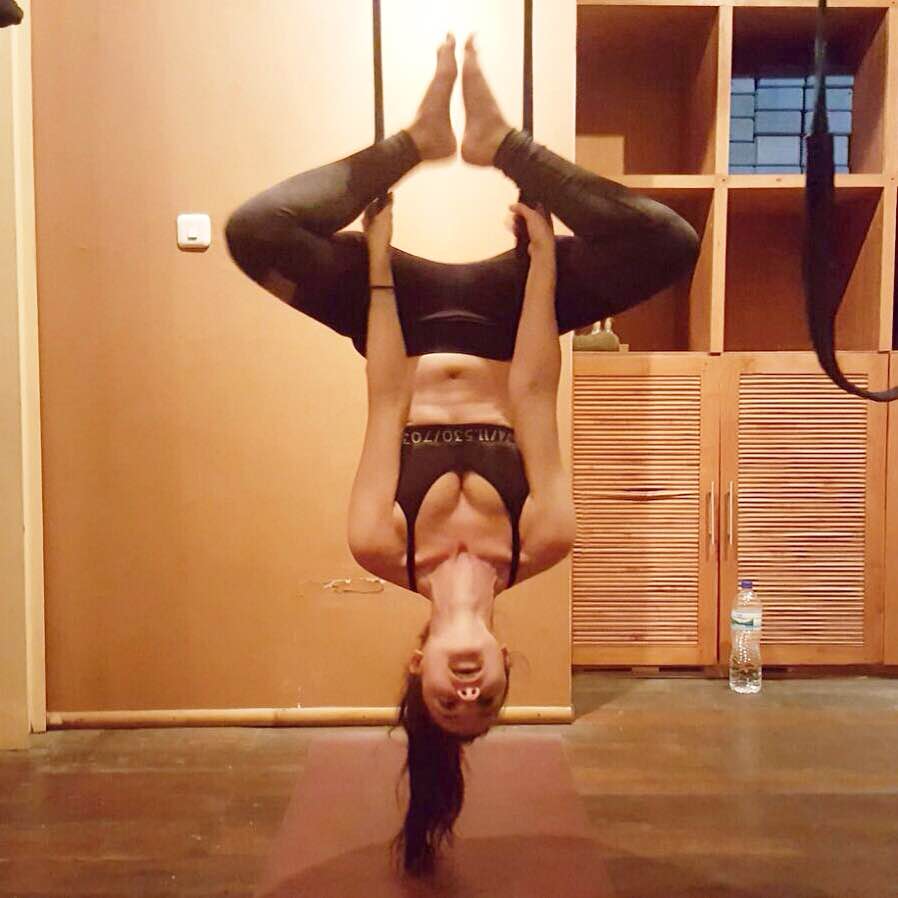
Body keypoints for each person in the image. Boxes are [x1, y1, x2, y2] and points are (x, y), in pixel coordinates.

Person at [225, 32, 699, 875]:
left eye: (450, 700)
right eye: (486, 703)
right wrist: (544, 272)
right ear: (509, 669)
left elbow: (385, 398)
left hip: (396, 314)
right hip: (516, 313)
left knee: (255, 231)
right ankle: (501, 146)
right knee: (669, 243)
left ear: (420, 665)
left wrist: (375, 265)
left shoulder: (379, 542)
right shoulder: (544, 538)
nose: (469, 688)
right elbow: (532, 397)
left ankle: (418, 142)